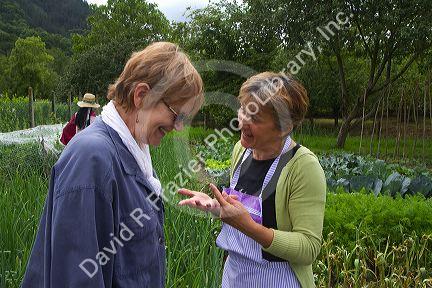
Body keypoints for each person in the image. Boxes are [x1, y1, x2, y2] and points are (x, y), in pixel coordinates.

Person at [22, 42, 204, 287]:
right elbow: (79, 277)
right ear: (141, 95)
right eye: (177, 115)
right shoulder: (92, 159)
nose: (179, 127)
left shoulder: (135, 151)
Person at [178, 72, 326, 288]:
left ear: (284, 127)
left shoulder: (303, 167)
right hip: (235, 276)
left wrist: (248, 227)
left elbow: (308, 248)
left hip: (277, 280)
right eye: (242, 110)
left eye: (255, 118)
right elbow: (239, 211)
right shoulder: (242, 150)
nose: (242, 122)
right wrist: (216, 207)